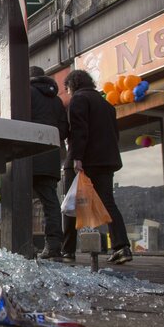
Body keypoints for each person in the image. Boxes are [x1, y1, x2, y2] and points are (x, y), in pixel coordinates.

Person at [62, 69, 132, 264]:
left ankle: (67, 250)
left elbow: (79, 130)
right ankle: (122, 247)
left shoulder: (78, 100)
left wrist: (77, 157)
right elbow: (114, 135)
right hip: (106, 160)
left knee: (70, 203)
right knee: (108, 203)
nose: (67, 92)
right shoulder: (107, 104)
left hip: (85, 160)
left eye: (67, 88)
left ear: (72, 85)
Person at [28, 66, 69, 260]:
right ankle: (53, 246)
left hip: (27, 154)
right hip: (51, 156)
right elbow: (64, 129)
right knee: (50, 202)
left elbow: (17, 119)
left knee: (20, 200)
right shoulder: (57, 100)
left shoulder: (27, 92)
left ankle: (22, 245)